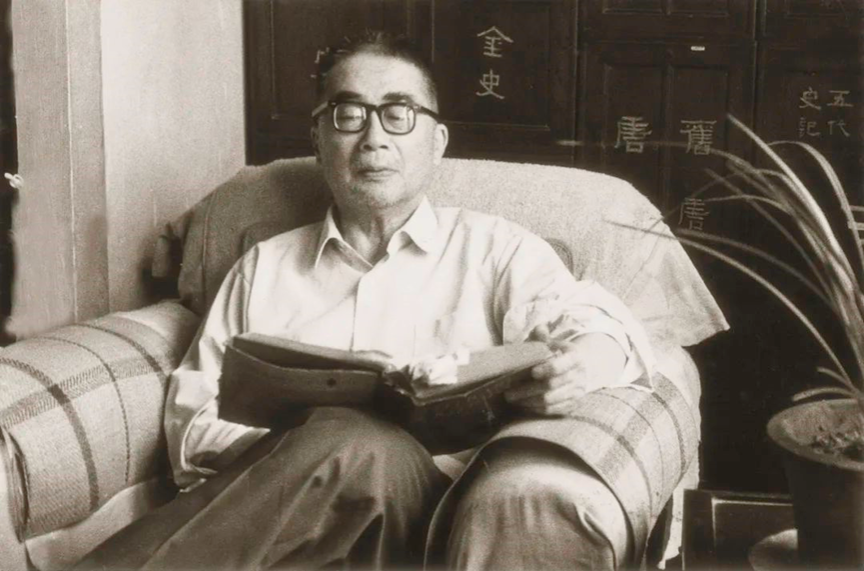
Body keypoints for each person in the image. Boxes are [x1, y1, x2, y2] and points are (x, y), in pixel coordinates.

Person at [79, 31, 723, 571]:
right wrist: (304, 450)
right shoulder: (263, 267)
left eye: (399, 113)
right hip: (291, 527)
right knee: (343, 437)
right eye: (348, 114)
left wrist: (590, 358)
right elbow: (192, 428)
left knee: (361, 444)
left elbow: (593, 321)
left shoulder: (494, 249)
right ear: (319, 138)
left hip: (430, 524)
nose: (373, 138)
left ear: (436, 143)